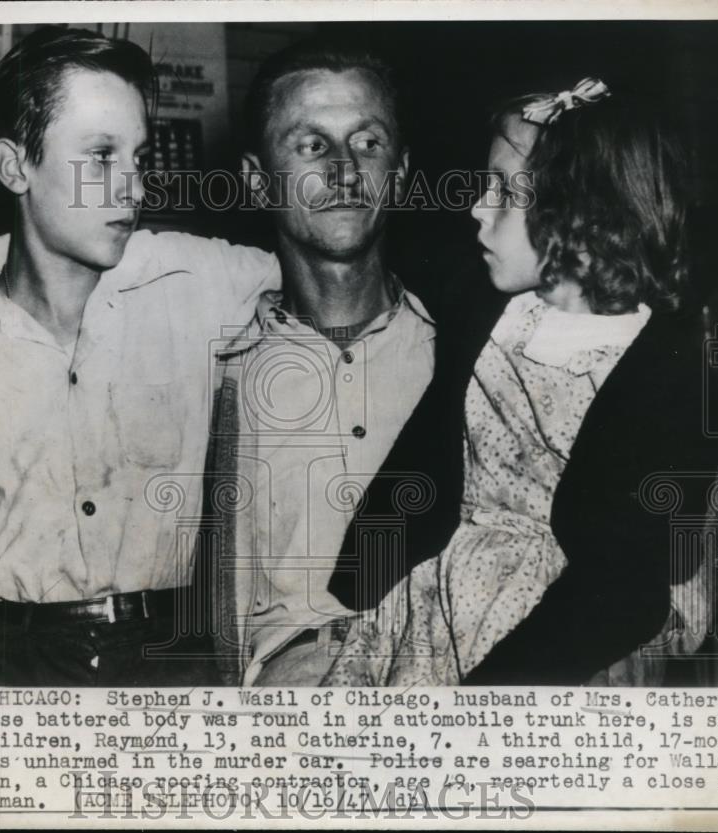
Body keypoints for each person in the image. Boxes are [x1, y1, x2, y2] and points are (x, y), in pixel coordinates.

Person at [0, 27, 278, 686]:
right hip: (12, 669)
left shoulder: (196, 279)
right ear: (15, 166)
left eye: (138, 157)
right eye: (100, 155)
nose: (132, 187)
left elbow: (333, 283)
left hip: (176, 665)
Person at [322, 77, 718, 686]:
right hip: (437, 595)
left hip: (557, 636)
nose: (478, 207)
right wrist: (347, 602)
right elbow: (424, 458)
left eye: (504, 190)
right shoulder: (489, 312)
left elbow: (625, 580)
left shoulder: (663, 365)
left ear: (585, 216)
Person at [203, 38, 436, 686]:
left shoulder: (467, 360)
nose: (344, 169)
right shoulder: (214, 372)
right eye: (311, 145)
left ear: (404, 171)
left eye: (367, 142)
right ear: (256, 179)